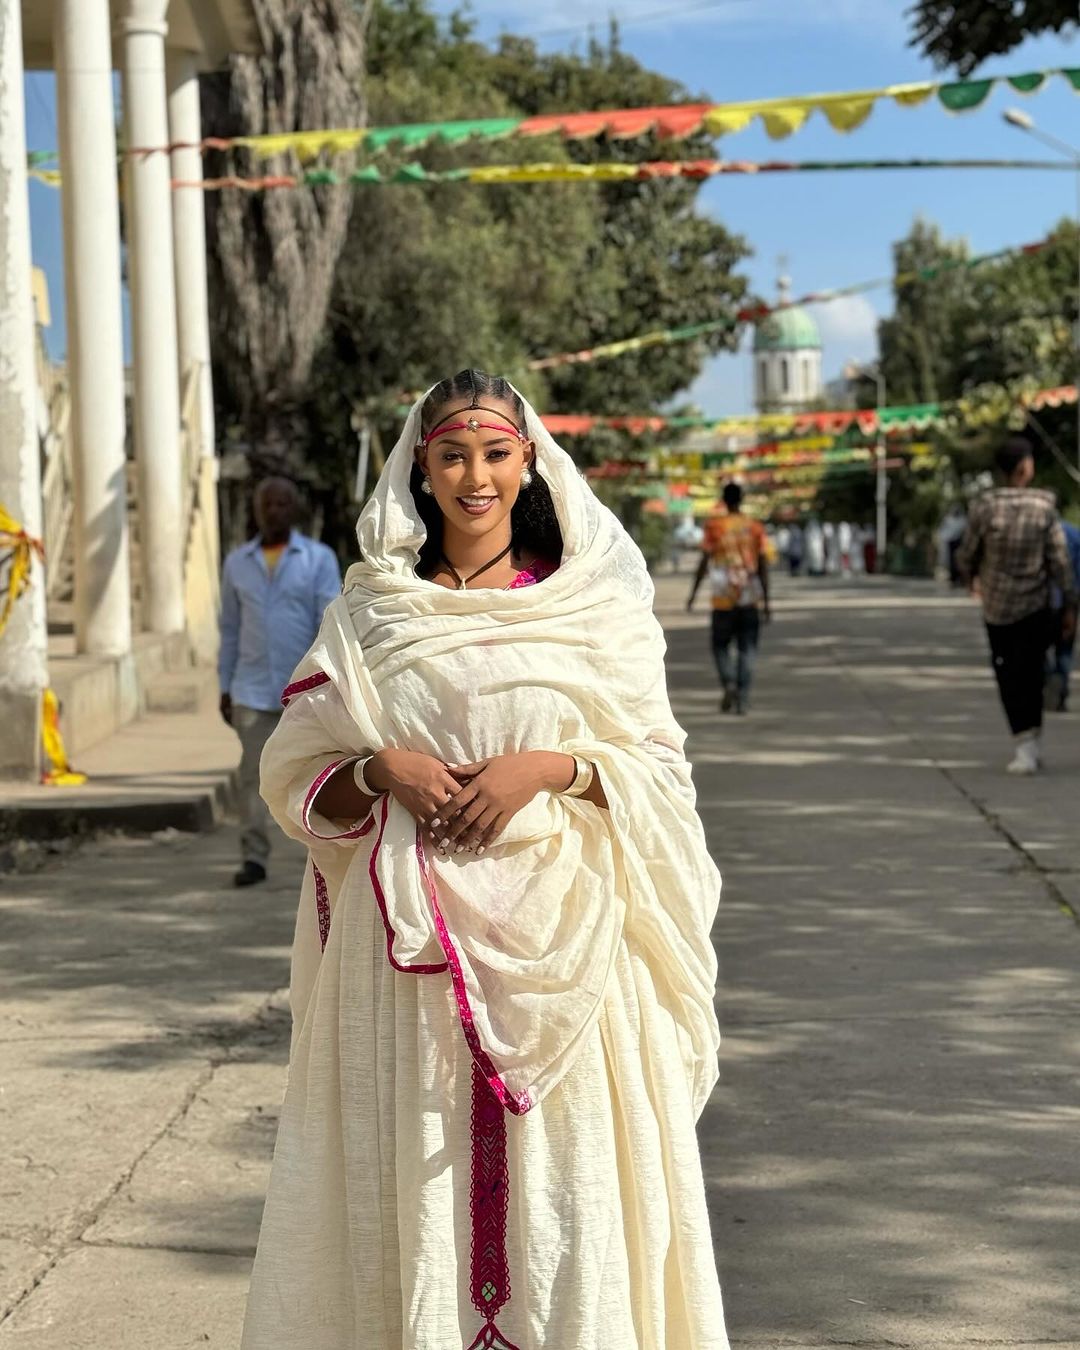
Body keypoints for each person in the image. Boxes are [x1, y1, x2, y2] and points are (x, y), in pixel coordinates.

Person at [241, 371, 728, 1349]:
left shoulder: (594, 611)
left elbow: (659, 777)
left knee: (570, 1208)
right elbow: (295, 778)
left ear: (529, 462)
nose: (476, 475)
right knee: (415, 1211)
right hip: (404, 979)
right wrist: (382, 770)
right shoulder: (373, 615)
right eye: (454, 453)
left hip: (575, 971)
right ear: (421, 469)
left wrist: (547, 768)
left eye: (496, 453)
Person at [218, 477, 342, 886]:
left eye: (282, 504)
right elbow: (231, 629)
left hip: (304, 691)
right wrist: (224, 684)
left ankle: (323, 856)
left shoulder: (317, 559)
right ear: (256, 511)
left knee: (313, 773)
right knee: (252, 776)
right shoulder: (238, 563)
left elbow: (328, 623)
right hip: (250, 689)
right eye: (266, 505)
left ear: (294, 510)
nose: (274, 512)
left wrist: (328, 681)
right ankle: (253, 857)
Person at [956, 436, 1077, 774]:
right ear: (1025, 467)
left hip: (997, 608)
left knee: (1009, 674)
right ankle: (1033, 741)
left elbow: (966, 554)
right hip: (1036, 606)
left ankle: (1023, 743)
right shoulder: (1044, 507)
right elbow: (1060, 561)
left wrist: (972, 578)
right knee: (1033, 671)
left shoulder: (984, 507)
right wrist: (1069, 604)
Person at [687, 480, 771, 714]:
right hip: (748, 596)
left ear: (723, 500)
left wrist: (693, 594)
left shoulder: (714, 527)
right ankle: (742, 697)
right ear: (742, 499)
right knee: (747, 648)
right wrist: (767, 601)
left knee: (720, 646)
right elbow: (762, 564)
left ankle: (729, 683)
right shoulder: (755, 527)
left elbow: (704, 561)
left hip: (722, 598)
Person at [1045, 518, 1080, 712]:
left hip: (1040, 601)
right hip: (1068, 600)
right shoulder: (1074, 534)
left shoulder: (1036, 533)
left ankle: (1049, 678)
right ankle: (1061, 690)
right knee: (1064, 648)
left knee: (1037, 648)